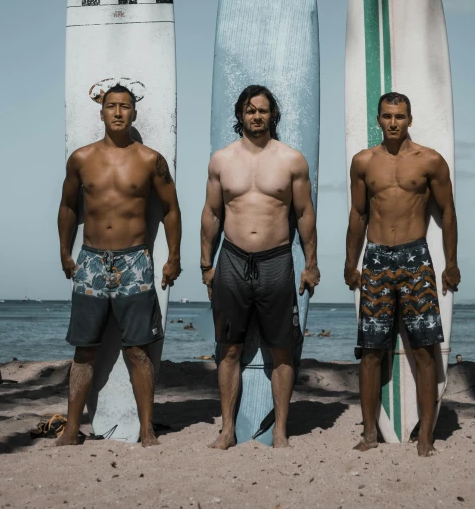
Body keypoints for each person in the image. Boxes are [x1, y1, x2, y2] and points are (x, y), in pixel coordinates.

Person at [56, 84, 181, 447]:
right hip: (91, 260)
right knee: (84, 348)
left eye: (125, 106)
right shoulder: (81, 158)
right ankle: (70, 428)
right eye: (111, 106)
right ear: (101, 112)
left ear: (134, 113)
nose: (117, 112)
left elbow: (171, 209)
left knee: (138, 349)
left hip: (135, 260)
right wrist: (65, 251)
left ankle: (146, 429)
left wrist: (173, 257)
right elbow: (67, 207)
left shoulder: (150, 160)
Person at [200, 84, 320, 449]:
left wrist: (311, 263)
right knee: (229, 348)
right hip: (232, 260)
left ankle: (281, 430)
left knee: (281, 349)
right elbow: (212, 213)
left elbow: (304, 214)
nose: (256, 116)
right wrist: (206, 263)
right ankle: (227, 429)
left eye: (263, 110)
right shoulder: (221, 160)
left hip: (276, 262)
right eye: (250, 110)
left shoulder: (291, 160)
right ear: (240, 115)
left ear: (273, 115)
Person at [345, 92, 460, 457]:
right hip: (376, 259)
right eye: (387, 116)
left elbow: (448, 212)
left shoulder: (430, 161)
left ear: (410, 119)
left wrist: (452, 262)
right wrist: (351, 262)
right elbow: (358, 215)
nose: (393, 122)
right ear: (377, 120)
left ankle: (425, 436)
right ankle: (368, 434)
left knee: (425, 350)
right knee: (370, 352)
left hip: (415, 258)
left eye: (400, 116)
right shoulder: (363, 162)